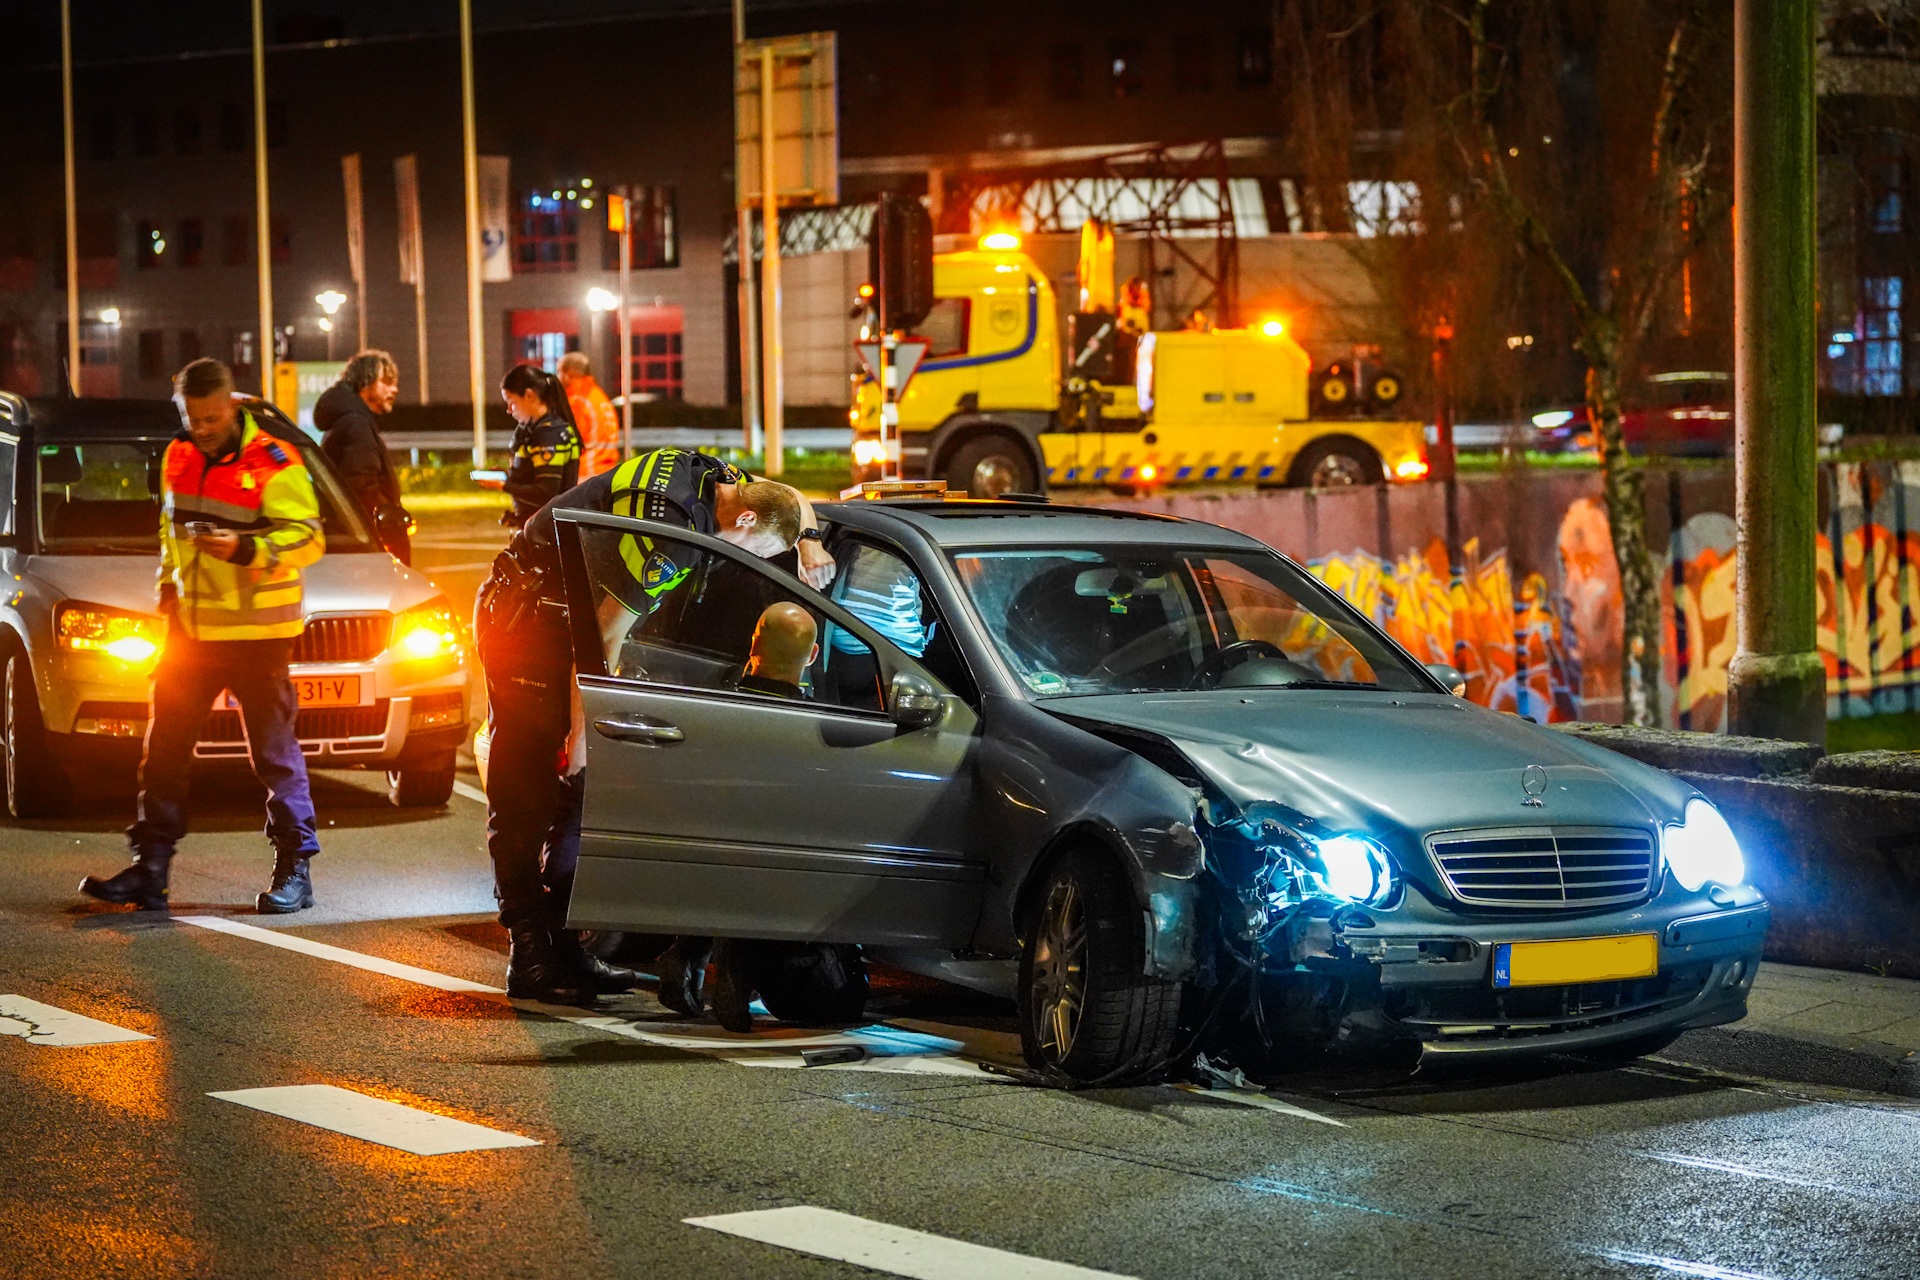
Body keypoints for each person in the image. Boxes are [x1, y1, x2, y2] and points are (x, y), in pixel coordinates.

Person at [475, 445, 836, 1002]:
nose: (753, 561)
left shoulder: (719, 478)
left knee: (570, 794)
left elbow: (786, 500)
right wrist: (585, 734)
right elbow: (603, 637)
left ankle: (565, 948)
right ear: (742, 518)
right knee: (526, 788)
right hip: (528, 619)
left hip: (563, 602)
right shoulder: (669, 539)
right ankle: (529, 952)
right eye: (759, 549)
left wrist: (806, 540)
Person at [80, 358, 327, 914]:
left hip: (259, 636)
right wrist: (168, 589)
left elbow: (309, 539)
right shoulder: (179, 454)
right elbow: (170, 531)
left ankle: (296, 867)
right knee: (163, 750)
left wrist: (246, 549)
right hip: (191, 632)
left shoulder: (274, 461)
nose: (203, 427)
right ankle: (152, 868)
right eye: (193, 417)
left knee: (274, 755)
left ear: (233, 406)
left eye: (213, 417)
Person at [316, 349, 411, 563]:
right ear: (364, 383)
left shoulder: (349, 421)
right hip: (365, 542)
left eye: (394, 383)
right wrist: (390, 522)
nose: (394, 389)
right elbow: (362, 487)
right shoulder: (356, 424)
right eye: (386, 382)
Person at [479, 364, 581, 529]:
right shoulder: (540, 430)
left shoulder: (548, 435)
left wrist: (504, 485)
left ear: (529, 395)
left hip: (545, 533)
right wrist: (508, 475)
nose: (509, 410)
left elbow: (545, 493)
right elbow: (534, 477)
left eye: (511, 402)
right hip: (540, 529)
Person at [558, 351, 620, 480]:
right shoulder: (598, 396)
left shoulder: (577, 402)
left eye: (559, 372)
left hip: (585, 473)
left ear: (568, 375)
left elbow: (569, 441)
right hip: (606, 472)